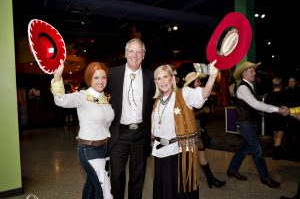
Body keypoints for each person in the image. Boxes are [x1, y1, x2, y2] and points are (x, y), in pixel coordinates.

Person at [151, 60, 219, 199]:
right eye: (159, 78)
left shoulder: (183, 93)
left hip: (178, 151)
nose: (162, 81)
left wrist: (212, 76)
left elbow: (202, 95)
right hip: (159, 152)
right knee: (165, 190)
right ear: (156, 82)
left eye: (165, 77)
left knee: (180, 192)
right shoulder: (158, 100)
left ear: (172, 78)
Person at [51, 61, 114, 199]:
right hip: (89, 149)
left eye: (103, 77)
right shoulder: (82, 96)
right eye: (96, 77)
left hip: (105, 148)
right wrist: (57, 77)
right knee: (103, 190)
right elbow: (60, 100)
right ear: (89, 79)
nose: (101, 81)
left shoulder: (104, 98)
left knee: (91, 186)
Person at [226, 61, 290, 188]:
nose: (255, 72)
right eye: (251, 71)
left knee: (245, 148)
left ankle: (232, 169)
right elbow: (255, 104)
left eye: (254, 70)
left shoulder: (249, 85)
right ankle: (264, 177)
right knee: (257, 150)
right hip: (245, 123)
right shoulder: (243, 87)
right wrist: (277, 109)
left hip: (249, 122)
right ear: (244, 73)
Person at [107, 38, 156, 199]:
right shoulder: (112, 74)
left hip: (141, 134)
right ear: (126, 53)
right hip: (119, 133)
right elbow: (94, 89)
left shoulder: (151, 77)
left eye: (139, 51)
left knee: (138, 176)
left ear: (143, 55)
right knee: (116, 176)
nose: (135, 55)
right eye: (131, 51)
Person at [183, 71, 226, 188]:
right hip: (189, 129)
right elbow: (191, 115)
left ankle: (210, 178)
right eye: (197, 81)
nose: (200, 82)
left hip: (197, 127)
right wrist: (203, 111)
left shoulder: (195, 94)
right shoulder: (186, 95)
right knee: (190, 156)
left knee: (201, 152)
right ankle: (188, 182)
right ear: (192, 83)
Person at [265, 77, 287, 159]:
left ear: (273, 85)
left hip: (272, 117)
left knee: (275, 135)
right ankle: (276, 154)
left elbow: (267, 106)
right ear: (281, 84)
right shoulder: (284, 94)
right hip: (281, 116)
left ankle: (276, 152)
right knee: (280, 136)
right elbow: (286, 106)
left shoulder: (269, 95)